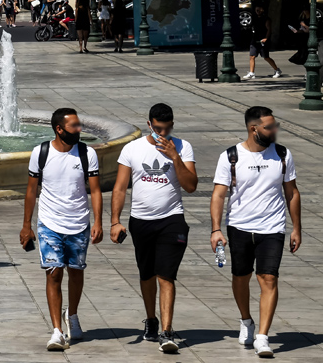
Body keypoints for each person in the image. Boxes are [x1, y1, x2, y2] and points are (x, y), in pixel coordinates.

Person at [210, 106, 302, 358]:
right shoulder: (230, 156)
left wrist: (296, 228)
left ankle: (262, 336)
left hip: (272, 228)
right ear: (254, 129)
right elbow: (219, 194)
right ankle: (246, 321)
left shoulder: (282, 154)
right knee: (241, 277)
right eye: (269, 127)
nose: (275, 131)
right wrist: (216, 229)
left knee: (268, 278)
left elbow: (292, 192)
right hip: (239, 226)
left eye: (275, 126)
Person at [110, 103, 198, 352]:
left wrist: (175, 157)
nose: (163, 134)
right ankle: (151, 319)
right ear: (149, 124)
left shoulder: (182, 147)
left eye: (167, 129)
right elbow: (119, 187)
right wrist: (115, 221)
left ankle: (167, 332)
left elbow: (191, 185)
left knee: (166, 275)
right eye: (158, 129)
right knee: (146, 273)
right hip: (140, 220)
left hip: (172, 218)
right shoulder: (132, 149)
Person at [19, 108, 102, 351]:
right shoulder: (41, 153)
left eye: (79, 125)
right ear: (59, 129)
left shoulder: (87, 153)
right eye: (74, 126)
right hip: (49, 223)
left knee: (76, 272)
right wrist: (26, 226)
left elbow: (95, 190)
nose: (79, 130)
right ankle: (56, 331)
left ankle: (72, 315)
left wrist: (98, 222)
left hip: (79, 222)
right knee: (54, 273)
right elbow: (31, 190)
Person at [244, 5, 283, 80]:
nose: (257, 12)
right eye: (256, 10)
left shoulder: (266, 19)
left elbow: (269, 29)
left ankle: (277, 70)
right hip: (255, 39)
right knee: (252, 56)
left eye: (259, 10)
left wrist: (266, 38)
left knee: (266, 57)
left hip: (263, 40)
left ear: (262, 10)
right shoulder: (254, 18)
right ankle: (252, 73)